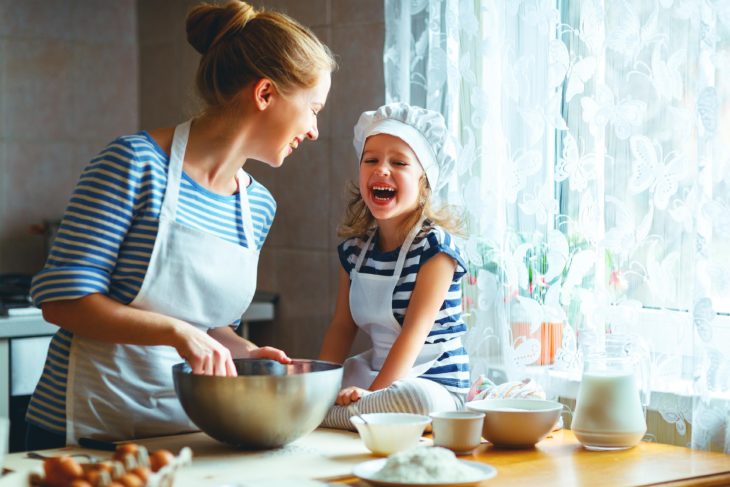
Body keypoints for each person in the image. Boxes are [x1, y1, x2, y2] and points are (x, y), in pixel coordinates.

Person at [25, 0, 336, 449]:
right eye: (314, 109)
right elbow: (63, 302)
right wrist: (176, 331)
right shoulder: (134, 164)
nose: (314, 130)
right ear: (265, 93)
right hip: (87, 431)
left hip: (191, 435)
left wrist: (242, 351)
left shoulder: (258, 206)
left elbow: (209, 326)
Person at [319, 103, 470, 430]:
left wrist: (372, 397)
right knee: (315, 382)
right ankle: (338, 412)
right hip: (378, 373)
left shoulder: (436, 249)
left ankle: (330, 417)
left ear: (424, 182)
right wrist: (318, 385)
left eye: (399, 162)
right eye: (370, 160)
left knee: (413, 401)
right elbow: (341, 327)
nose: (381, 169)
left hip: (433, 385)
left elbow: (414, 334)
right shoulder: (355, 251)